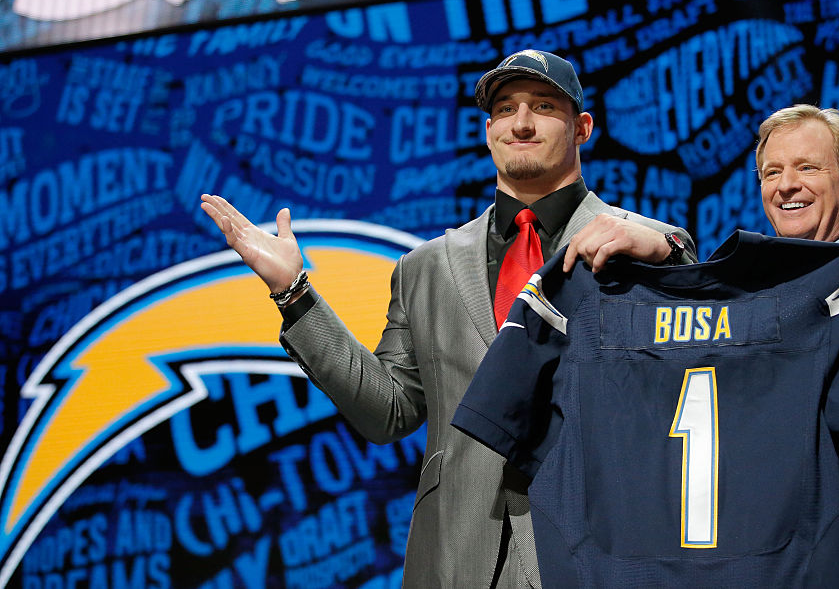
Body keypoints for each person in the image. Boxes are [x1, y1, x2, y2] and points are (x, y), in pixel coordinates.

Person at [200, 49, 696, 588]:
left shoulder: (641, 242)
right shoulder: (426, 267)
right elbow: (387, 411)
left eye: (543, 106)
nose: (522, 122)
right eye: (506, 109)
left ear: (582, 127)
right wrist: (293, 292)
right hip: (459, 553)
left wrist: (670, 254)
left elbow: (706, 354)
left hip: (600, 547)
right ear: (489, 132)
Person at [565, 103, 839, 587]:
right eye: (772, 172)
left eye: (807, 167)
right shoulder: (749, 299)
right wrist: (669, 249)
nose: (786, 185)